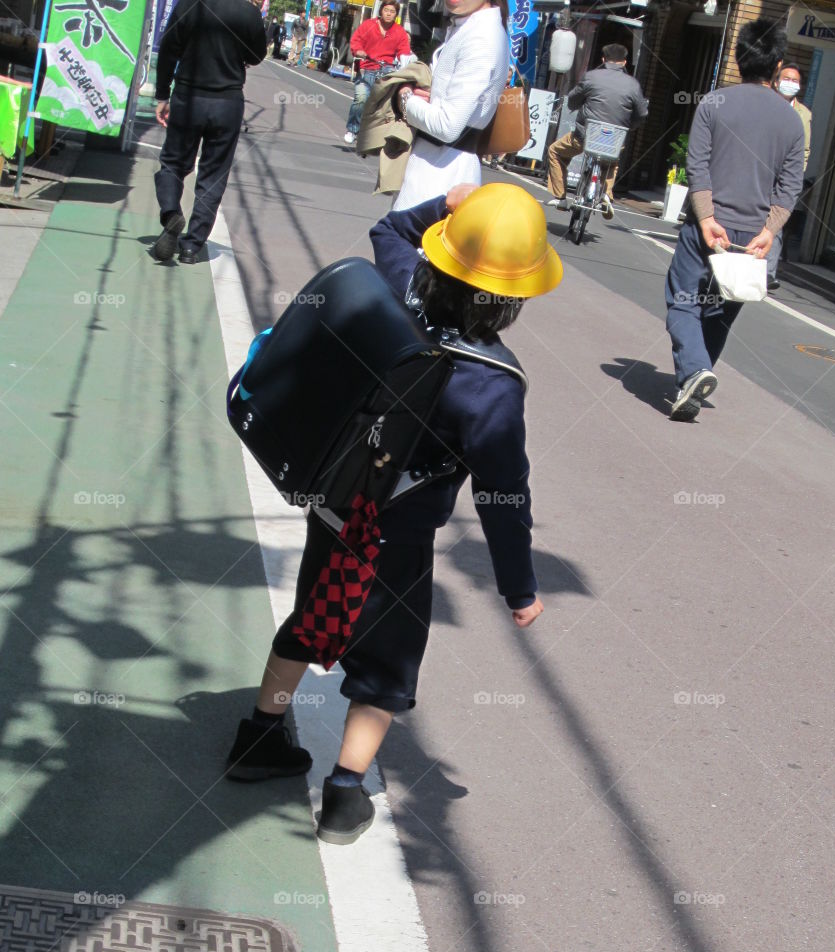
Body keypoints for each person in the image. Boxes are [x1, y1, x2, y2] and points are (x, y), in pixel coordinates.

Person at [225, 184, 563, 845]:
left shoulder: (404, 287)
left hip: (331, 503)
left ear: (440, 260)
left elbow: (389, 229)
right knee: (387, 663)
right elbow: (503, 493)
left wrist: (444, 204)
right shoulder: (492, 385)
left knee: (314, 611)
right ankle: (345, 795)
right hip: (396, 538)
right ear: (515, 298)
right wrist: (518, 586)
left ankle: (259, 735)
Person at [663, 19, 803, 421]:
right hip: (753, 232)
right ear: (777, 66)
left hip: (707, 226)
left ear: (738, 58)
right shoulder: (791, 120)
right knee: (721, 311)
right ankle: (696, 375)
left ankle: (695, 371)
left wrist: (705, 218)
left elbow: (698, 164)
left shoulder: (714, 103)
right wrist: (769, 232)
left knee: (683, 299)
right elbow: (789, 185)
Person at [152, 0, 266, 265]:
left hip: (188, 97)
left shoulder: (190, 4)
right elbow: (256, 56)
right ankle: (192, 246)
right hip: (227, 102)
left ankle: (170, 213)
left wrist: (161, 93)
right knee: (213, 174)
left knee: (173, 163)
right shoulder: (248, 11)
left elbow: (169, 48)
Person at [392, 0, 509, 211]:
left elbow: (447, 125)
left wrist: (404, 98)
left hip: (440, 178)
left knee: (402, 240)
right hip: (438, 170)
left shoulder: (481, 36)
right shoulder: (469, 26)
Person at [547, 43, 647, 220]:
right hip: (614, 139)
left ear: (603, 59)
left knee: (555, 151)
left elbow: (573, 99)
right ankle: (606, 195)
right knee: (611, 161)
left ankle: (561, 197)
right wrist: (629, 127)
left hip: (585, 135)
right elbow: (641, 113)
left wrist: (575, 106)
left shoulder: (591, 77)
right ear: (624, 62)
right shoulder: (633, 85)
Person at [767, 62, 812, 288]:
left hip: (785, 177)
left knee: (776, 220)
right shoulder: (765, 104)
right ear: (776, 82)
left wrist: (797, 173)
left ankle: (768, 273)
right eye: (786, 79)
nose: (790, 84)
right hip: (761, 170)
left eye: (795, 81)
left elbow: (805, 148)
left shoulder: (804, 114)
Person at [344, 1, 412, 144]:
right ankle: (352, 129)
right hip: (367, 68)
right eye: (386, 10)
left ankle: (377, 136)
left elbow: (404, 52)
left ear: (396, 15)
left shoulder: (399, 32)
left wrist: (405, 62)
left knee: (385, 107)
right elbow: (355, 41)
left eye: (392, 11)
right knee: (361, 98)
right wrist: (359, 51)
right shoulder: (368, 25)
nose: (388, 13)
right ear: (381, 11)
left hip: (387, 72)